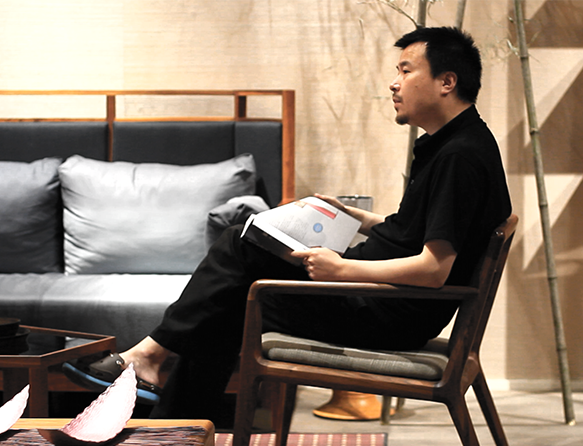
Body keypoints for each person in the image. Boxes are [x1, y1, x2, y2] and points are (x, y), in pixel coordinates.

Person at [63, 26, 512, 420]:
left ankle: (156, 372)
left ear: (446, 82)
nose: (393, 83)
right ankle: (169, 401)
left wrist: (342, 270)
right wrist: (358, 219)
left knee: (234, 272)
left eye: (406, 71)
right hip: (382, 300)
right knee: (236, 270)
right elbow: (418, 232)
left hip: (387, 312)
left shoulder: (460, 157)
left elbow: (434, 269)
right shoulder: (456, 143)